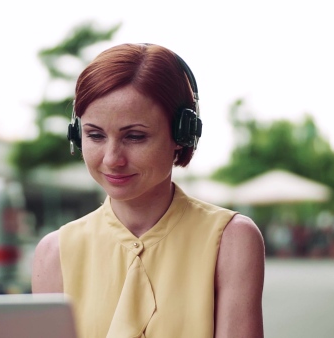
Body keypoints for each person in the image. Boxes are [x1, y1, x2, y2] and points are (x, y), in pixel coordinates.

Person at [32, 43, 265, 338]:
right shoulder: (54, 253)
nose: (111, 159)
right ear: (77, 135)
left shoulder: (231, 240)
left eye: (135, 136)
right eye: (94, 135)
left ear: (182, 134)